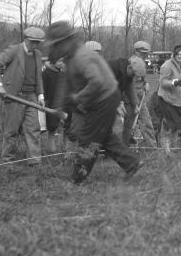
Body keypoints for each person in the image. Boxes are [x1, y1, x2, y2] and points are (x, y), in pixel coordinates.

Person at [45, 21, 143, 184]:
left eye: (57, 45)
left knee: (87, 138)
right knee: (104, 137)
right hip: (102, 99)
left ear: (66, 42)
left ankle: (78, 177)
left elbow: (96, 82)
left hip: (105, 99)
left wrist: (79, 98)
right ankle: (132, 163)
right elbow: (65, 83)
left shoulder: (82, 57)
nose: (55, 49)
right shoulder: (71, 57)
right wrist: (57, 106)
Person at [0, 26, 46, 165]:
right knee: (11, 131)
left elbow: (38, 77)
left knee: (34, 129)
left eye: (38, 42)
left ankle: (34, 161)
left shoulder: (37, 54)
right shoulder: (14, 50)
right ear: (25, 39)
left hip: (31, 96)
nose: (35, 45)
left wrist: (41, 96)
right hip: (14, 96)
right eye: (33, 41)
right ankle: (6, 160)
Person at [157, 45, 181, 152]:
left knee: (176, 126)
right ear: (174, 54)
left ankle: (173, 147)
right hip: (166, 99)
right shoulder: (166, 65)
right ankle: (166, 149)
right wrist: (173, 82)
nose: (179, 56)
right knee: (168, 125)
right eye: (178, 54)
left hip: (178, 99)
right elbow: (163, 82)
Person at [106, 56, 140, 146]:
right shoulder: (112, 69)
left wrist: (135, 105)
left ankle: (117, 150)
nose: (133, 77)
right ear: (129, 67)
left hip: (113, 99)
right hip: (102, 99)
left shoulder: (128, 74)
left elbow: (129, 89)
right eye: (133, 74)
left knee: (117, 126)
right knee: (114, 126)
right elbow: (109, 88)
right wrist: (118, 104)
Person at [128, 40, 157, 148]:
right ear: (136, 51)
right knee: (130, 125)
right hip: (131, 99)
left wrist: (145, 83)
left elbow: (141, 77)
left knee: (146, 123)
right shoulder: (132, 63)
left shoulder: (141, 62)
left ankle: (152, 148)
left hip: (140, 97)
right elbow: (128, 84)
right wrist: (134, 101)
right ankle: (125, 149)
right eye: (143, 52)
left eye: (147, 52)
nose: (146, 55)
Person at [42, 57, 70, 153]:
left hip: (65, 105)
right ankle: (51, 151)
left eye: (63, 61)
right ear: (52, 61)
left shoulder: (63, 74)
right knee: (52, 128)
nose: (62, 63)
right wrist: (46, 103)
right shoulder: (45, 74)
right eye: (59, 61)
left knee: (67, 127)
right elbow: (43, 90)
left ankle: (66, 150)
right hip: (51, 106)